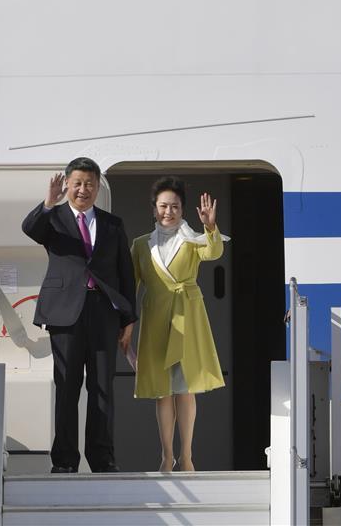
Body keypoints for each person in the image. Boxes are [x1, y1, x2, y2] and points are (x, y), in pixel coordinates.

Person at [22, 157, 137, 473]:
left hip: (103, 312)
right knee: (67, 387)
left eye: (89, 183)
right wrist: (48, 203)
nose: (83, 189)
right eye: (77, 183)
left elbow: (125, 274)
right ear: (67, 185)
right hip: (64, 314)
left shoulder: (113, 224)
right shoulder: (54, 218)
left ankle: (102, 459)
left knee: (103, 388)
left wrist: (129, 320)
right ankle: (64, 461)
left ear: (98, 187)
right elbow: (29, 228)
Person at [129, 176, 226, 472]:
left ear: (183, 209)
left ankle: (187, 455)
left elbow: (214, 252)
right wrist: (125, 325)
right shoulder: (141, 244)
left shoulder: (194, 238)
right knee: (163, 390)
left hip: (188, 317)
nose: (168, 211)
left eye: (174, 206)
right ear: (154, 209)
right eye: (163, 206)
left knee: (185, 388)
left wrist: (210, 227)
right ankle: (166, 455)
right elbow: (130, 285)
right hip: (157, 319)